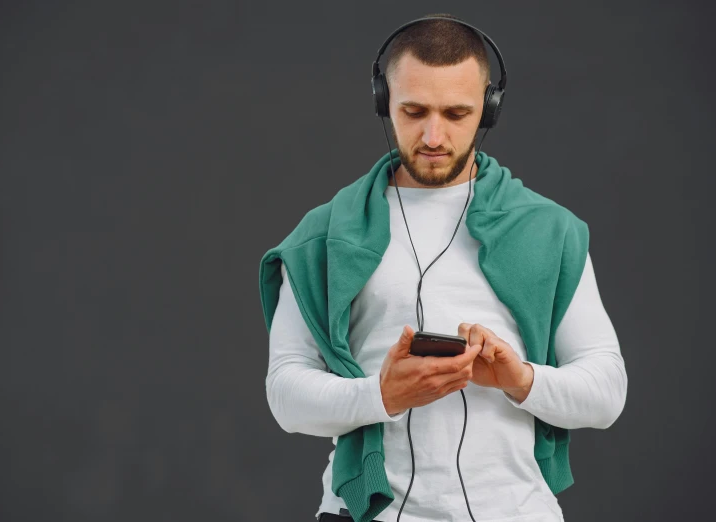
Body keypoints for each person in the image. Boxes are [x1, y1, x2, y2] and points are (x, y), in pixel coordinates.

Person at [259, 13, 627, 522]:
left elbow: (607, 392)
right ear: (382, 102)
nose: (434, 135)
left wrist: (520, 380)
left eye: (457, 113)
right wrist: (379, 395)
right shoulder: (324, 235)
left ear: (489, 110)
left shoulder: (551, 231)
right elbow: (285, 393)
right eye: (413, 111)